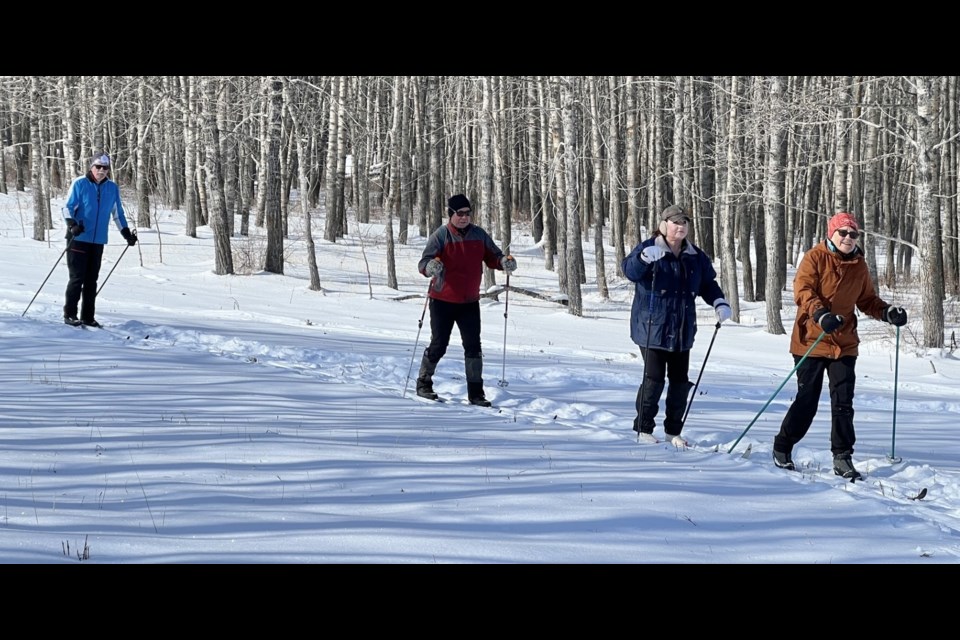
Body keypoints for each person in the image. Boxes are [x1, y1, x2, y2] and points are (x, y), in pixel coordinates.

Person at [773, 211, 908, 480]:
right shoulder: (815, 257)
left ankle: (842, 457)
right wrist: (821, 315)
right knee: (807, 400)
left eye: (853, 233)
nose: (848, 237)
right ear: (831, 233)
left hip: (844, 342)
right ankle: (782, 447)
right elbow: (803, 291)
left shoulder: (859, 265)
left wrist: (888, 312)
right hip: (811, 338)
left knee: (843, 402)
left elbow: (867, 299)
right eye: (842, 233)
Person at [623, 204, 731, 446]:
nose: (680, 226)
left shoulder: (695, 256)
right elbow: (629, 270)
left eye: (684, 223)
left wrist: (719, 301)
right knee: (654, 378)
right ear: (664, 226)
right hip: (652, 326)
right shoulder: (648, 248)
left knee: (680, 380)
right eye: (675, 222)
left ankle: (673, 431)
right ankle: (643, 429)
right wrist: (642, 259)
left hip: (682, 328)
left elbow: (707, 283)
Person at [415, 194, 517, 407]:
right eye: (459, 213)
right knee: (439, 344)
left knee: (473, 347)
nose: (464, 217)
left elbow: (494, 256)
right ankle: (424, 383)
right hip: (442, 299)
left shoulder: (479, 234)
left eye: (467, 213)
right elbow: (424, 262)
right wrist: (429, 267)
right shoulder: (441, 236)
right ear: (450, 214)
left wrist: (504, 262)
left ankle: (476, 393)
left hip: (469, 301)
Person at [61, 152, 138, 327]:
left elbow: (118, 214)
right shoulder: (80, 183)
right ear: (91, 167)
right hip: (78, 238)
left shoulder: (112, 188)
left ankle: (88, 317)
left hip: (98, 241)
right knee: (77, 278)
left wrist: (126, 233)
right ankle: (70, 314)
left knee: (91, 281)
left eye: (105, 168)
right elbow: (67, 207)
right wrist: (72, 225)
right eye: (98, 167)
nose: (101, 171)